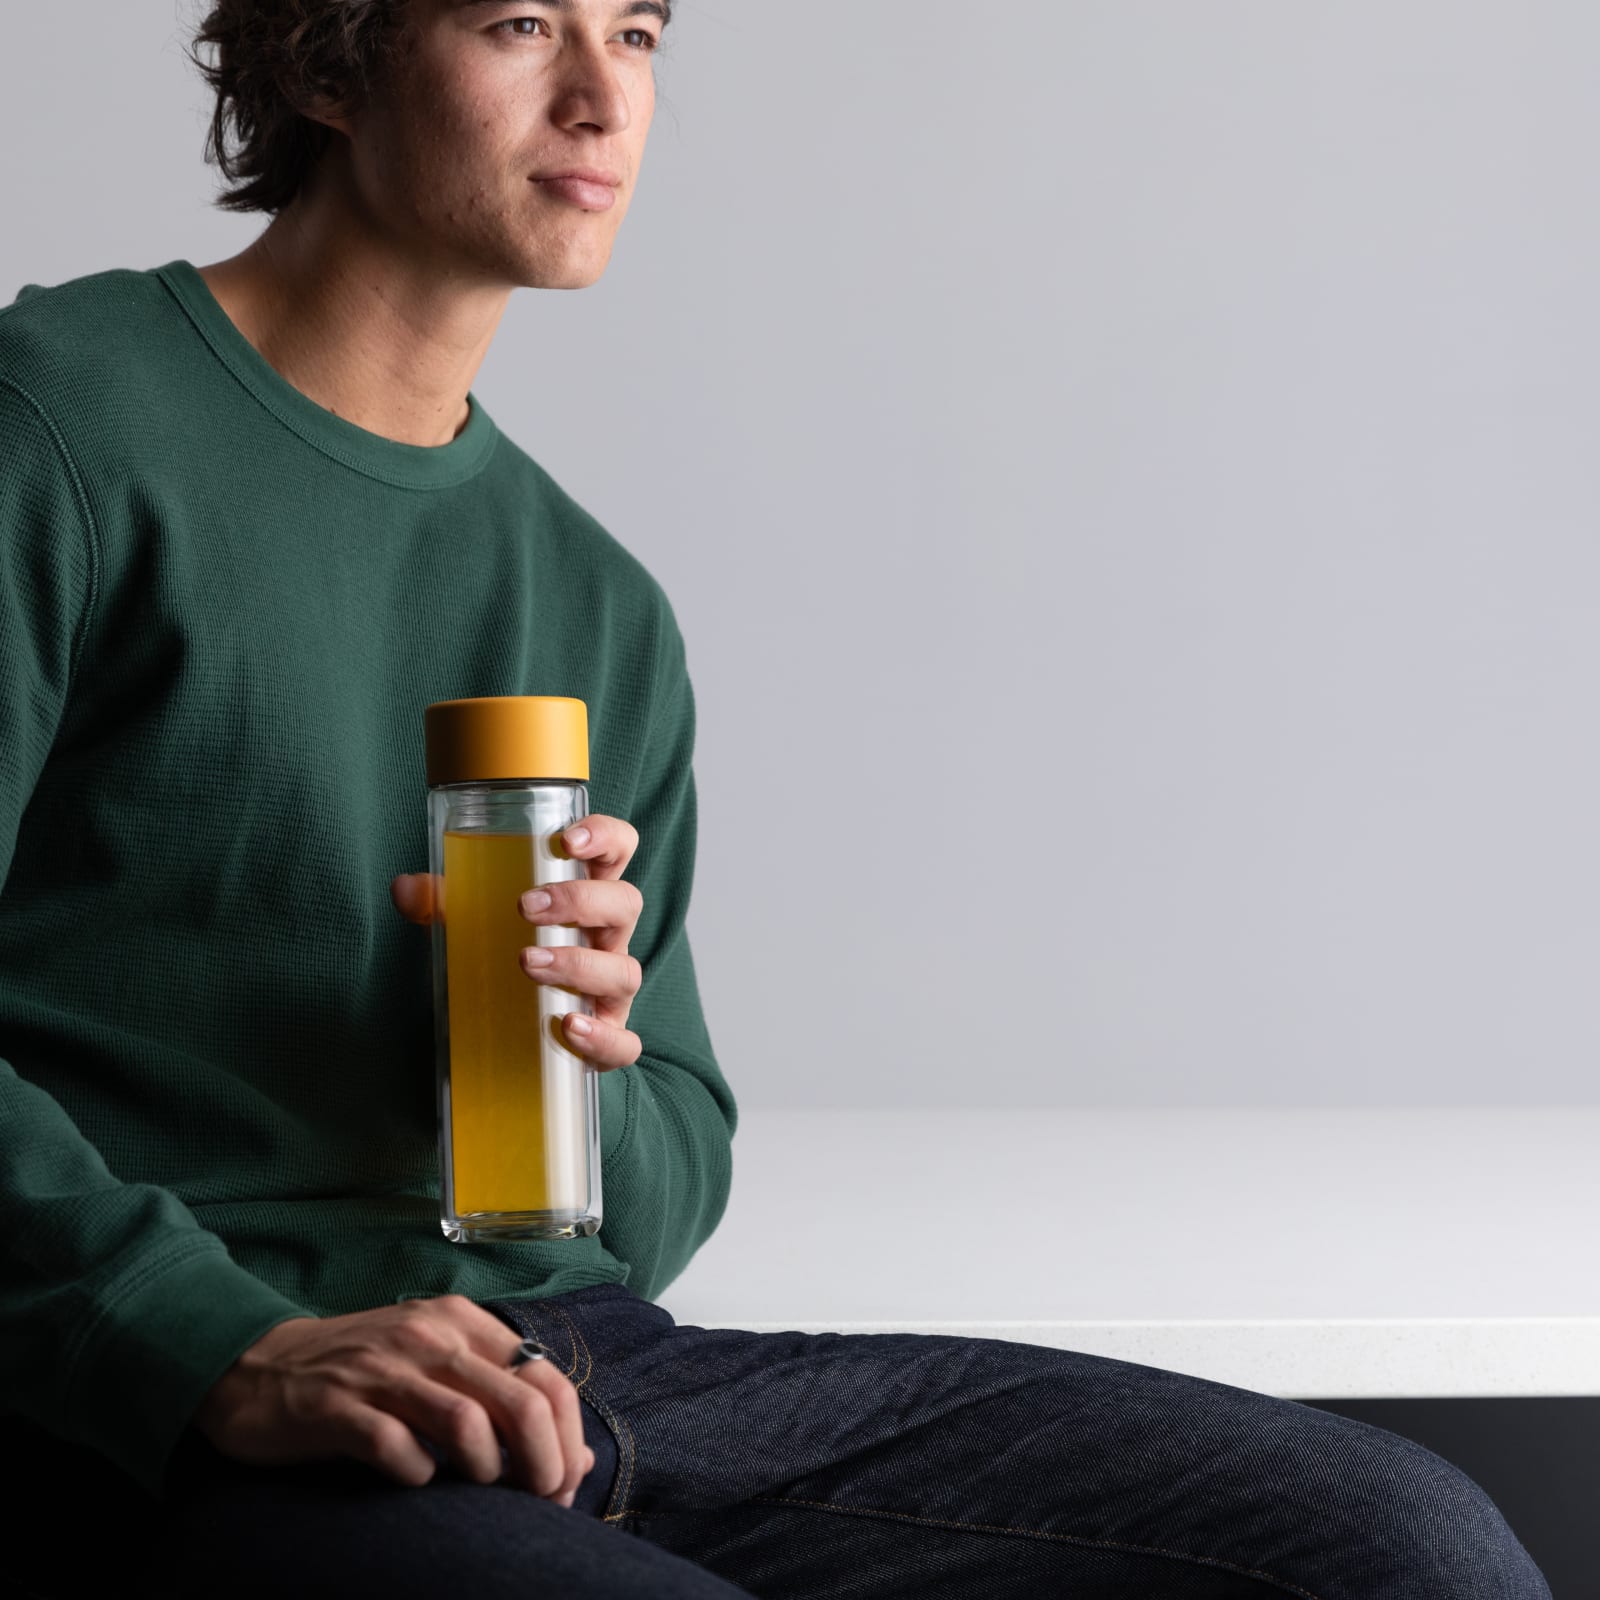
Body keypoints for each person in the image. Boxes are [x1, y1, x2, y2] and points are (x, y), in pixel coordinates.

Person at [0, 3, 1553, 1596]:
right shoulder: (60, 421)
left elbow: (671, 1160)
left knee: (1400, 1549)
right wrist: (214, 1344)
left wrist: (567, 1056)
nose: (605, 99)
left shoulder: (592, 596)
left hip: (593, 1363)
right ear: (331, 63)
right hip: (207, 1388)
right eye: (523, 22)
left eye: (642, 32)